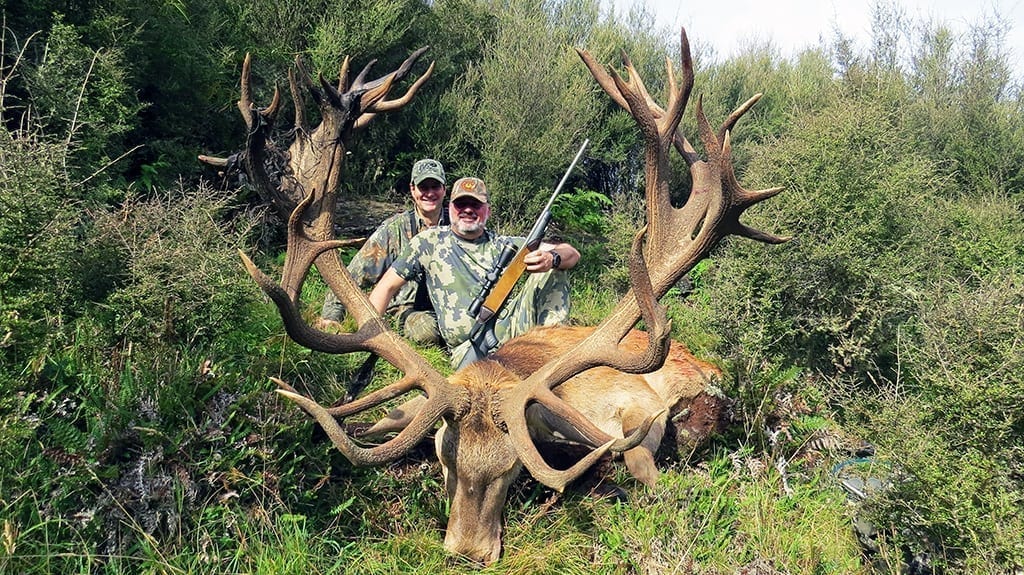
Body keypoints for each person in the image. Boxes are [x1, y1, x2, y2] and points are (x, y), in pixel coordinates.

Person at [369, 176, 580, 367]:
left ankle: (555, 356)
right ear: (450, 207)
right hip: (465, 348)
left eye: (475, 205)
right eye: (461, 203)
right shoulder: (427, 242)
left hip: (512, 330)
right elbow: (386, 287)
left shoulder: (505, 245)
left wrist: (552, 258)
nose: (468, 210)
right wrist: (368, 334)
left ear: (487, 210)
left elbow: (572, 253)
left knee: (554, 270)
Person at [320, 158, 449, 345]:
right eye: (423, 187)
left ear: (444, 189)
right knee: (426, 330)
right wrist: (332, 316)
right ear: (413, 189)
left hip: (448, 309)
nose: (429, 193)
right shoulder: (393, 230)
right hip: (405, 310)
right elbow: (353, 275)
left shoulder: (457, 229)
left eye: (435, 186)